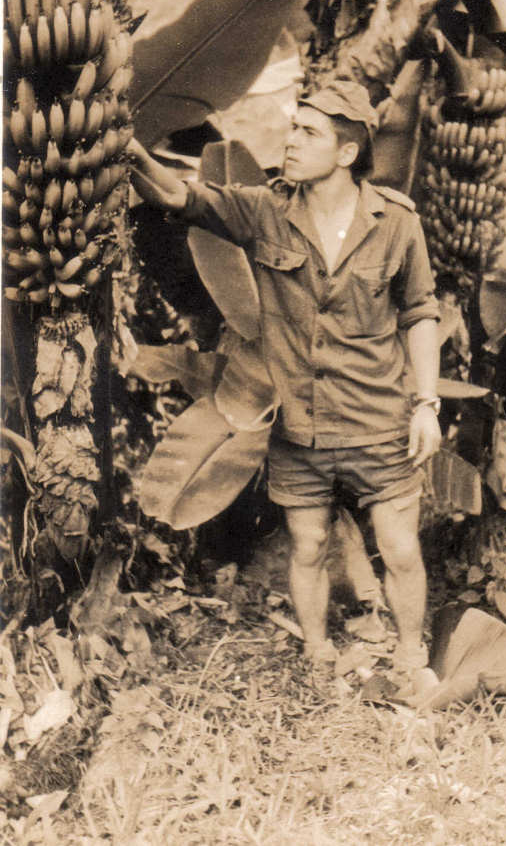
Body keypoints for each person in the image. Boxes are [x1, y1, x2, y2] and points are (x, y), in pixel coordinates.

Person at [128, 79, 442, 673]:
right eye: (293, 128)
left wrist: (427, 404)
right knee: (309, 544)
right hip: (301, 423)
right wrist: (129, 150)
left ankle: (409, 653)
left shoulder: (397, 222)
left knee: (400, 549)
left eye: (308, 133)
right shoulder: (266, 210)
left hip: (378, 418)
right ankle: (318, 651)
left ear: (346, 152)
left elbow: (421, 312)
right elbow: (177, 195)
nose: (291, 141)